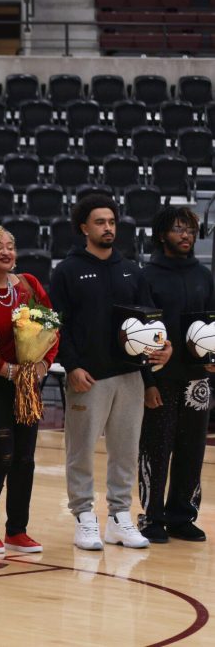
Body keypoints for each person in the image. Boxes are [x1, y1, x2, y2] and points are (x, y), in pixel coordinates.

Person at [49, 194, 170, 551]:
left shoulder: (131, 269)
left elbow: (149, 324)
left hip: (130, 377)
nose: (107, 228)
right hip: (89, 377)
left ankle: (120, 518)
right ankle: (84, 517)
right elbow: (59, 325)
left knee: (125, 450)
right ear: (84, 227)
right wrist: (71, 366)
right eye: (100, 222)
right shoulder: (68, 270)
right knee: (81, 451)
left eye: (112, 222)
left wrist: (151, 375)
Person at [0, 226, 58, 555]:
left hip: (27, 384)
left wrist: (43, 365)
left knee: (25, 459)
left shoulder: (28, 284)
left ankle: (17, 529)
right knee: (1, 454)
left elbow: (49, 327)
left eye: (10, 246)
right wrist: (5, 369)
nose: (7, 252)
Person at [138, 207, 215, 543]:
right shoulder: (147, 276)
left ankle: (182, 515)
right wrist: (147, 382)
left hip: (197, 378)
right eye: (179, 229)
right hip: (161, 378)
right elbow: (138, 334)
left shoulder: (204, 275)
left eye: (191, 229)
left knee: (192, 448)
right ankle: (150, 517)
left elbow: (211, 323)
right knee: (157, 448)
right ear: (161, 235)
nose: (186, 235)